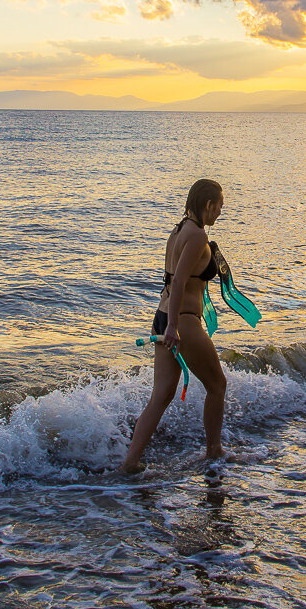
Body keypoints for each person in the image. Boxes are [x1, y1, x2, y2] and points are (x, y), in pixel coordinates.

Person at [121, 179, 229, 473]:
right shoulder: (196, 236)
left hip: (164, 314)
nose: (220, 212)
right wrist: (172, 328)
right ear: (208, 205)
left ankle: (130, 463)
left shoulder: (179, 230)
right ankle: (214, 451)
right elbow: (180, 280)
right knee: (218, 385)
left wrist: (167, 324)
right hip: (180, 321)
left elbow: (176, 279)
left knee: (162, 394)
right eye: (219, 206)